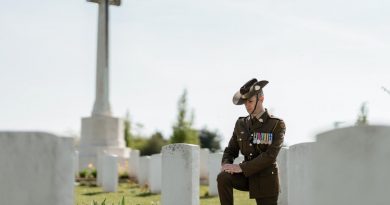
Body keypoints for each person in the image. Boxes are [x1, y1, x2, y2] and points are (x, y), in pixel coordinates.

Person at [217, 78, 286, 205]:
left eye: (250, 101)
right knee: (223, 177)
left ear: (261, 99)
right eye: (245, 102)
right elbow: (231, 150)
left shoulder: (276, 124)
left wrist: (241, 167)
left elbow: (270, 156)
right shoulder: (241, 124)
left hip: (266, 179)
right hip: (246, 177)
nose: (247, 106)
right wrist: (226, 165)